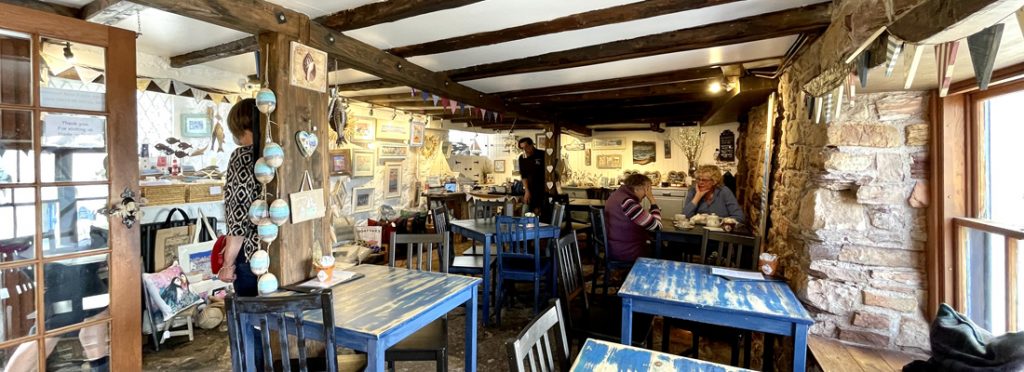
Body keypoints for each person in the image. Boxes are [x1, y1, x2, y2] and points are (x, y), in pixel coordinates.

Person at [217, 98, 263, 297]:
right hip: (281, 251)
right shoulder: (275, 154)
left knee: (250, 321)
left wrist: (228, 264)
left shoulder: (243, 156)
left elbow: (238, 215)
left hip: (253, 254)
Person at [604, 174, 662, 262]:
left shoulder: (617, 195)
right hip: (627, 251)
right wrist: (652, 200)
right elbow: (657, 226)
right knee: (667, 251)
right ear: (638, 187)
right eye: (648, 189)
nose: (648, 193)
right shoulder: (628, 202)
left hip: (615, 245)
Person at [518, 137, 548, 220]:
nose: (525, 150)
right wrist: (527, 190)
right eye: (522, 148)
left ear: (532, 145)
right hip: (530, 189)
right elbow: (523, 176)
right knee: (525, 215)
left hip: (543, 189)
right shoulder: (522, 158)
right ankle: (524, 231)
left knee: (541, 215)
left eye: (526, 147)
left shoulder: (542, 154)